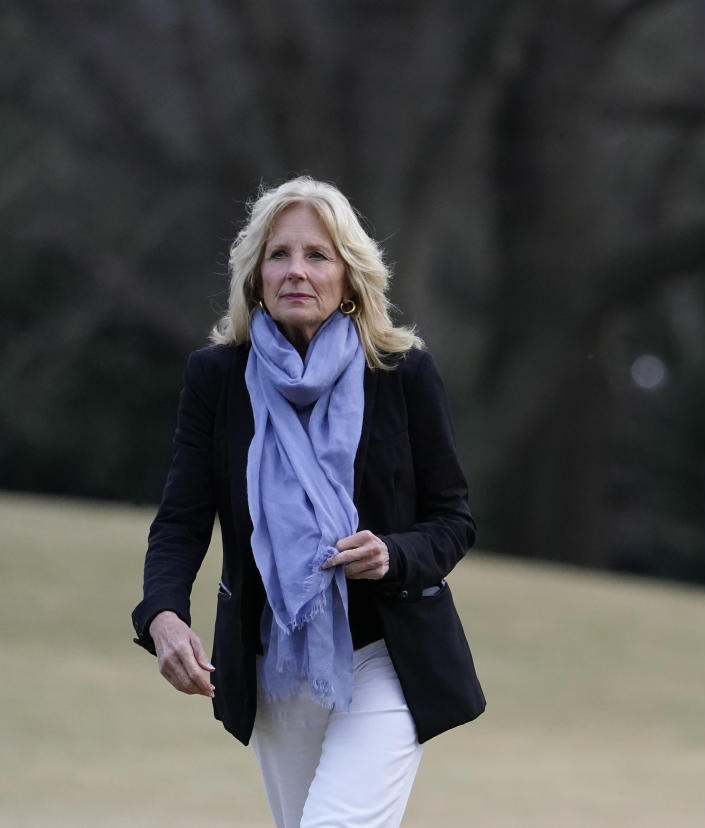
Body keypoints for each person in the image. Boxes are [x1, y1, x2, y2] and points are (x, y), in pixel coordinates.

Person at [132, 176, 485, 828]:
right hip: (273, 664)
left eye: (317, 255)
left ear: (350, 277)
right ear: (255, 275)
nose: (297, 270)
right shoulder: (216, 379)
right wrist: (162, 615)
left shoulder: (402, 373)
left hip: (388, 656)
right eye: (279, 254)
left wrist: (392, 553)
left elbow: (453, 519)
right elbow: (182, 517)